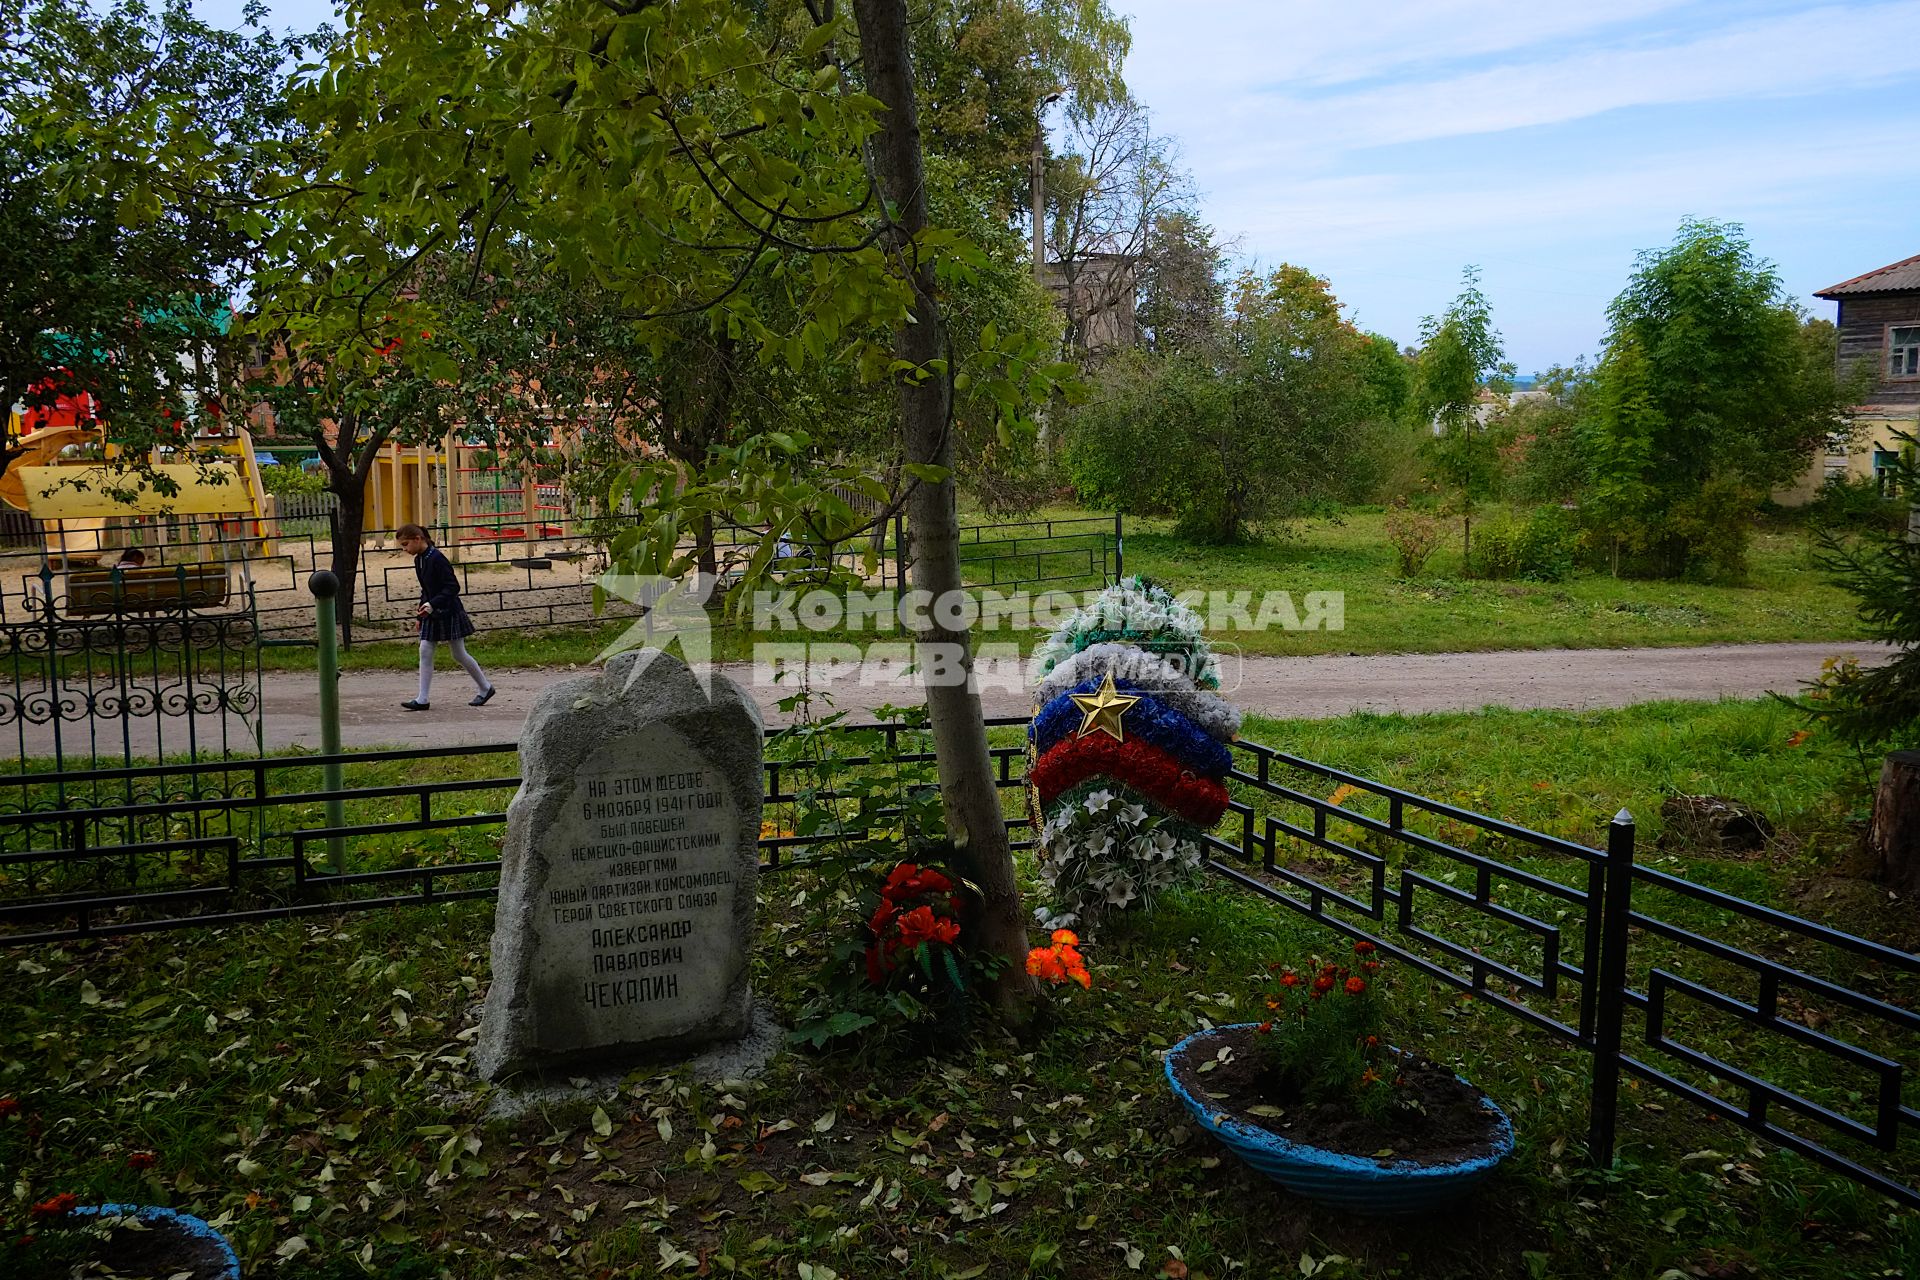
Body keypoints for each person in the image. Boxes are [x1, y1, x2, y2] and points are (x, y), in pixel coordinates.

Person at [395, 523, 495, 711]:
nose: (405, 549)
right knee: (425, 650)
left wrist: (432, 604)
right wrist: (421, 614)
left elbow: (453, 587)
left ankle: (485, 687)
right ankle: (422, 699)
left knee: (459, 653)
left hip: (448, 611)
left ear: (418, 539)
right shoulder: (420, 559)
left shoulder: (437, 558)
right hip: (432, 612)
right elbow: (426, 589)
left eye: (406, 544)